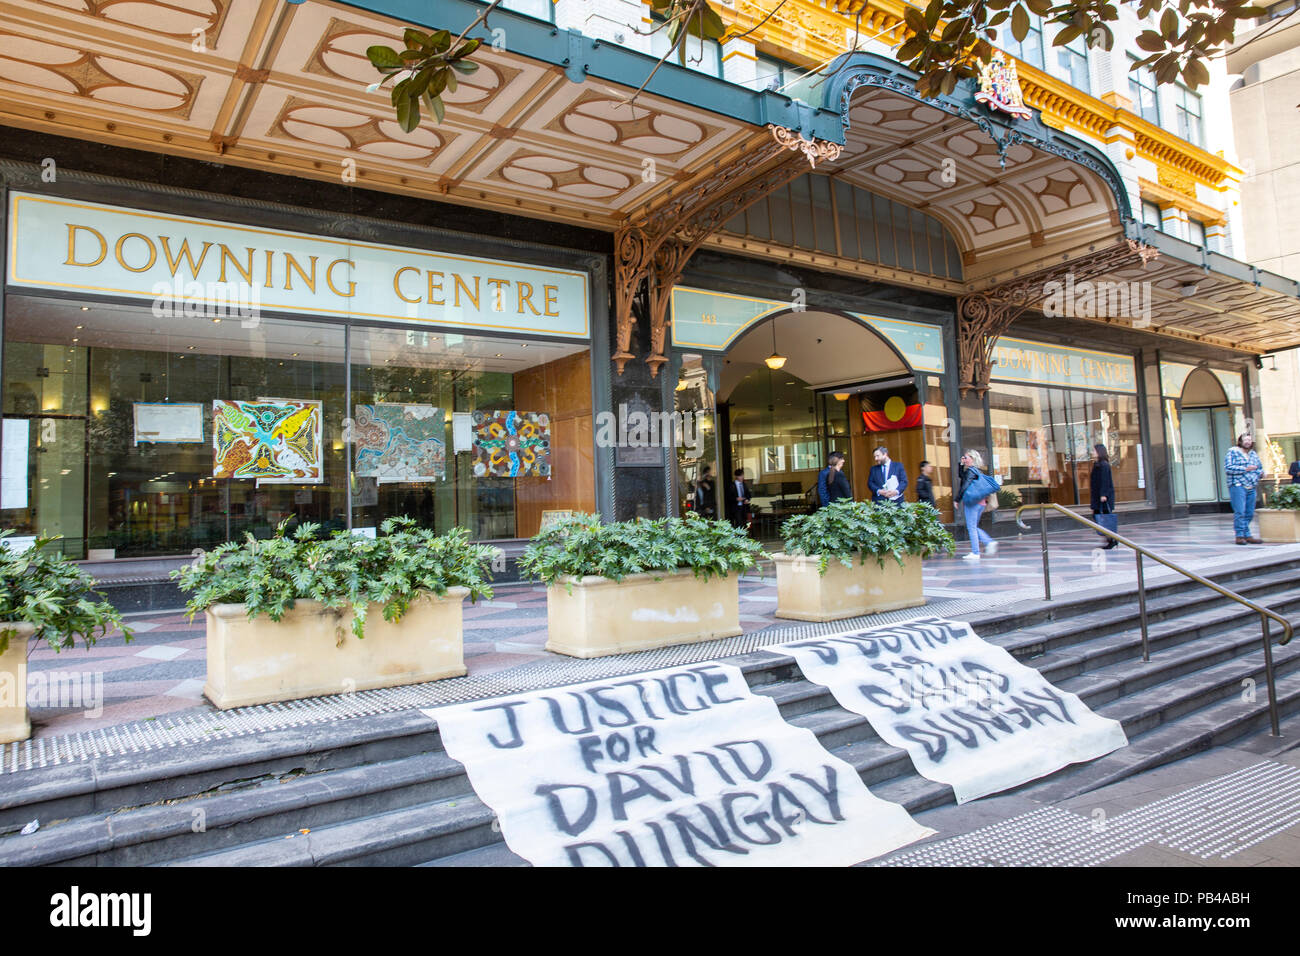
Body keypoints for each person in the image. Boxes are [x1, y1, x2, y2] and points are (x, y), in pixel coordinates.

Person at [957, 449, 997, 561]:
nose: (964, 460)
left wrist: (957, 499)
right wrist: (960, 464)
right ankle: (988, 542)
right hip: (981, 503)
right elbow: (961, 476)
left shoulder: (970, 471)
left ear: (972, 459)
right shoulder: (977, 471)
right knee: (973, 526)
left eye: (966, 458)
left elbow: (964, 486)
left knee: (971, 527)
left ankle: (976, 552)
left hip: (972, 503)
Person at [1225, 433, 1263, 545]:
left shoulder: (1253, 454)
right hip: (1237, 485)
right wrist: (1245, 469)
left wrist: (1261, 473)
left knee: (1250, 512)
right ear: (1240, 441)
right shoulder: (1232, 452)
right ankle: (1240, 535)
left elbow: (1259, 467)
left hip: (1251, 485)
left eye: (1249, 440)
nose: (1247, 442)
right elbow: (1228, 468)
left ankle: (1247, 534)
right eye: (1245, 440)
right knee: (1240, 511)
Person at [1090, 443, 1117, 550]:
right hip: (1097, 497)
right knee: (1099, 517)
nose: (1092, 453)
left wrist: (1103, 494)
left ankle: (1112, 539)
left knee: (1104, 519)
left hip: (1103, 497)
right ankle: (1111, 539)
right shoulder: (1097, 464)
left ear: (1099, 452)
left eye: (1094, 451)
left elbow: (1105, 481)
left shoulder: (1104, 465)